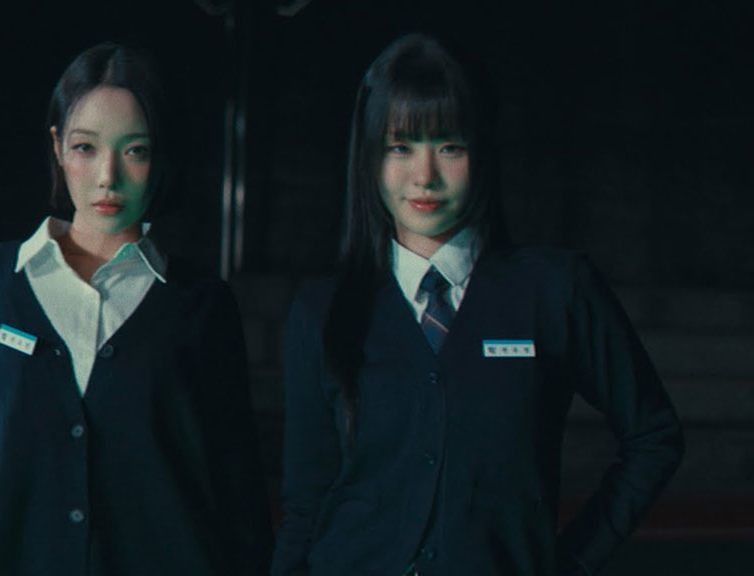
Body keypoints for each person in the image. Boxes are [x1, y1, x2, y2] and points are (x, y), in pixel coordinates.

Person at [270, 33, 683, 576]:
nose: (424, 176)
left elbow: (654, 437)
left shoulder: (556, 290)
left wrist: (573, 560)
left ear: (482, 151)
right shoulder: (320, 313)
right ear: (368, 157)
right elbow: (306, 503)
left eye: (450, 146)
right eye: (400, 147)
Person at [0, 42, 271, 576]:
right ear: (57, 146)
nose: (107, 176)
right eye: (85, 147)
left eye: (135, 150)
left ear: (160, 156)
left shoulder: (201, 305)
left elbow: (238, 492)